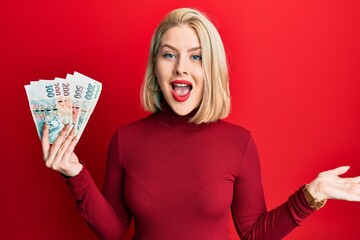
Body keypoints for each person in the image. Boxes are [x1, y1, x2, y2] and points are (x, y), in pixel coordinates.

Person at [41, 8, 360, 240]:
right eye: (169, 55)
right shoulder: (126, 140)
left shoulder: (239, 143)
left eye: (196, 56)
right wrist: (75, 174)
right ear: (156, 66)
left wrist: (312, 195)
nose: (181, 67)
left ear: (212, 68)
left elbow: (252, 233)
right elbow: (113, 230)